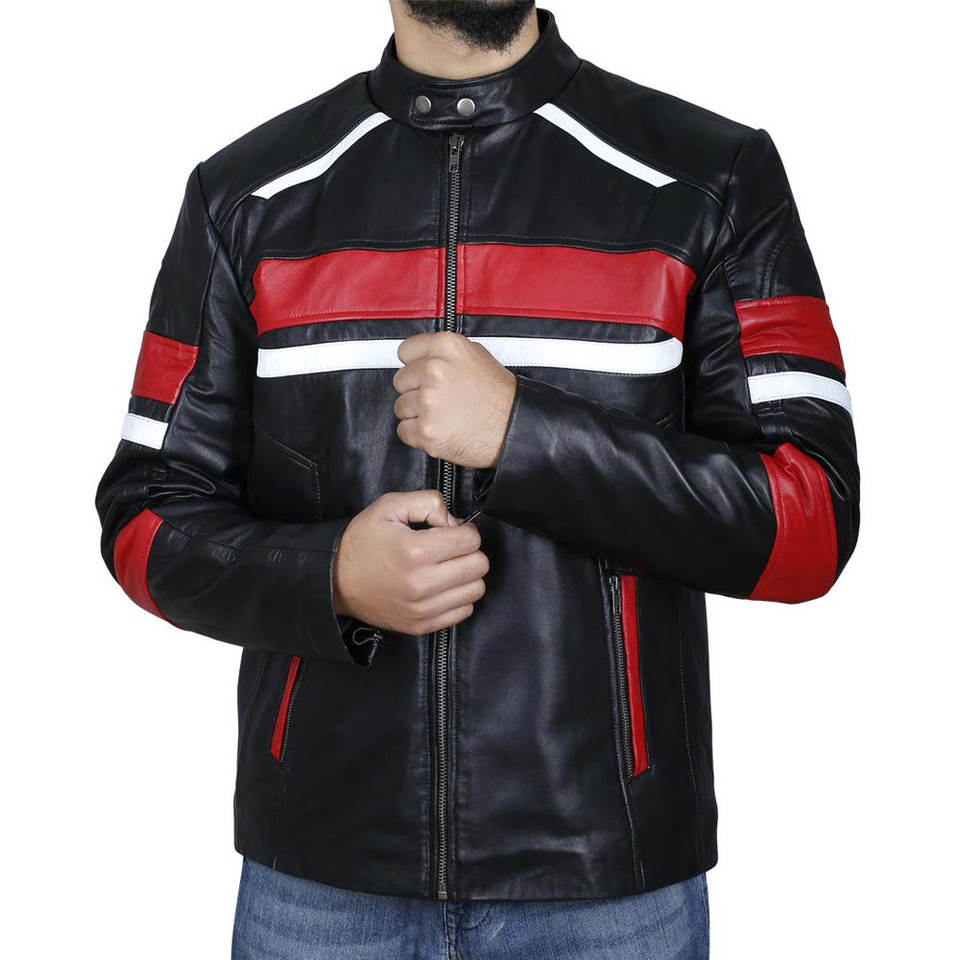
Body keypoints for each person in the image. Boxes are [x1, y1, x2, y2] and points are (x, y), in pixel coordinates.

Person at [95, 2, 859, 957]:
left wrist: (523, 435)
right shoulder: (248, 197)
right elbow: (143, 520)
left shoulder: (709, 180)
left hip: (606, 883)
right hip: (321, 883)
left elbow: (808, 521)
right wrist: (331, 578)